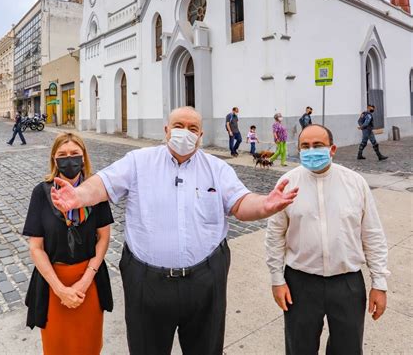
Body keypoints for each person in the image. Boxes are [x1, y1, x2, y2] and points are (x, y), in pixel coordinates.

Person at [51, 106, 299, 355]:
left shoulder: (217, 168)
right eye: (179, 126)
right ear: (167, 130)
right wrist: (79, 195)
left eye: (193, 129)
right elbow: (103, 183)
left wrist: (264, 205)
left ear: (200, 135)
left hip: (205, 277)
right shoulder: (139, 161)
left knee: (206, 347)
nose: (185, 133)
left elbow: (241, 203)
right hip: (146, 281)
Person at [266, 123, 389, 355]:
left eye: (318, 145)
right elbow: (274, 235)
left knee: (348, 349)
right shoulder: (287, 183)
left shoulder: (355, 183)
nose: (311, 150)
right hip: (300, 284)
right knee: (299, 347)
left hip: (347, 284)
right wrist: (276, 279)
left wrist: (379, 284)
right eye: (305, 146)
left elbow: (372, 235)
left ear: (332, 149)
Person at [23, 133, 113, 355]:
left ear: (84, 158)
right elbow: (36, 247)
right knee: (57, 347)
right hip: (54, 283)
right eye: (62, 155)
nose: (69, 159)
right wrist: (60, 289)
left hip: (89, 282)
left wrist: (84, 281)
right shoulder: (41, 193)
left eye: (75, 154)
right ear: (54, 159)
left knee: (89, 345)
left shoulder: (96, 191)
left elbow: (103, 237)